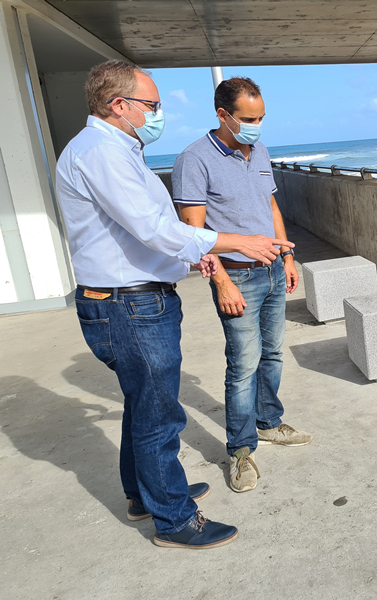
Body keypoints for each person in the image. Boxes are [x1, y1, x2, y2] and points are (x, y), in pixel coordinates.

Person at [55, 60, 293, 549]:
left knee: (143, 406)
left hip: (134, 300)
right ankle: (175, 519)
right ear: (119, 105)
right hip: (129, 307)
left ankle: (145, 494)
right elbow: (156, 228)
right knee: (160, 415)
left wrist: (193, 259)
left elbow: (138, 233)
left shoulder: (117, 149)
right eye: (153, 105)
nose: (158, 112)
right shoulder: (101, 152)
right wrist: (232, 244)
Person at [173, 77, 311, 494]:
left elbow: (270, 207)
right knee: (243, 364)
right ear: (223, 115)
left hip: (271, 271)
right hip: (236, 276)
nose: (257, 125)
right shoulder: (194, 160)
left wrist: (287, 257)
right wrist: (222, 284)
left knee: (272, 354)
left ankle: (268, 422)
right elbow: (193, 231)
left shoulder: (260, 150)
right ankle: (240, 451)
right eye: (249, 118)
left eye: (261, 117)